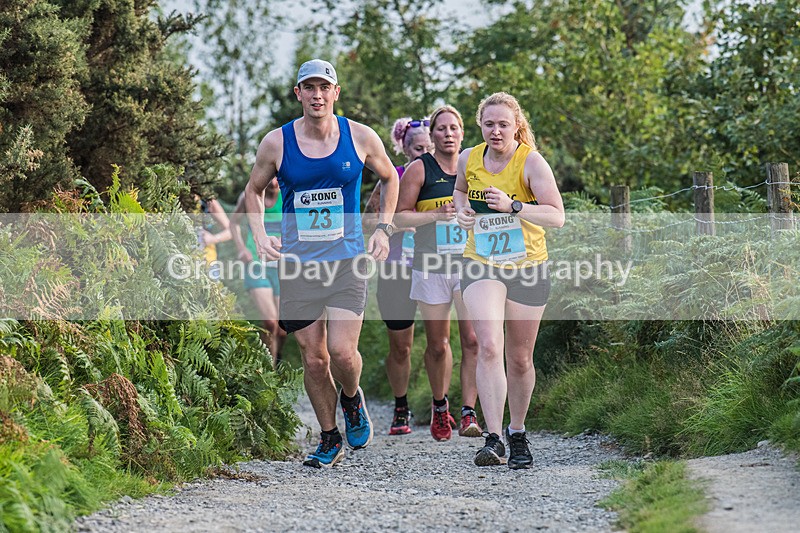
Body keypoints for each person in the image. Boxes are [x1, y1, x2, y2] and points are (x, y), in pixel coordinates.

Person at [243, 59, 399, 468]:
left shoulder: (360, 136)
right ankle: (330, 437)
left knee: (342, 353)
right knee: (314, 358)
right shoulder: (276, 143)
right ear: (298, 93)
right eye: (309, 87)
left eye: (324, 87)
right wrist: (260, 235)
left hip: (347, 261)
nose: (317, 95)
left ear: (335, 92)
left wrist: (384, 229)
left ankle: (352, 397)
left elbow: (390, 177)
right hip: (299, 265)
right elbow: (253, 190)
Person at [453, 92, 564, 469]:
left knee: (518, 358)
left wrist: (514, 206)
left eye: (503, 124)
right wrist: (462, 211)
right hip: (481, 262)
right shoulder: (469, 158)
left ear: (517, 125)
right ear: (480, 126)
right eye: (489, 124)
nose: (496, 131)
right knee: (488, 345)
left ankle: (517, 432)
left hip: (527, 265)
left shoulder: (530, 161)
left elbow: (556, 216)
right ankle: (493, 437)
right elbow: (459, 191)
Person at [395, 105, 482, 442]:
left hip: (468, 262)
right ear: (432, 136)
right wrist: (435, 215)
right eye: (441, 129)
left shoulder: (475, 166)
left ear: (462, 132)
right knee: (438, 345)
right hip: (430, 265)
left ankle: (469, 411)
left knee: (472, 340)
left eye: (454, 128)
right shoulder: (419, 169)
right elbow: (400, 217)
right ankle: (440, 404)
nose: (448, 134)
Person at [364, 117, 432, 435]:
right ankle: (401, 406)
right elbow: (367, 221)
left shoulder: (446, 178)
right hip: (396, 269)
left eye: (429, 148)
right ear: (404, 149)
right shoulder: (393, 178)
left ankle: (444, 404)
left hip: (435, 266)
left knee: (441, 341)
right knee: (401, 346)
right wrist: (399, 223)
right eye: (418, 149)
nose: (424, 154)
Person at [230, 181, 287, 367]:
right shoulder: (248, 196)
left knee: (282, 329)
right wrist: (241, 249)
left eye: (277, 177)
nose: (274, 182)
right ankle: (268, 371)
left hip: (281, 267)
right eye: (270, 177)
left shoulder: (288, 195)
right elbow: (233, 223)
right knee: (270, 322)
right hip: (256, 265)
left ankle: (277, 356)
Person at [198, 197, 232, 280]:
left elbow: (230, 231)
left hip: (208, 263)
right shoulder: (177, 197)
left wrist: (213, 238)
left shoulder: (208, 201)